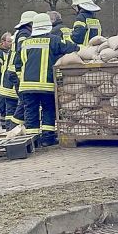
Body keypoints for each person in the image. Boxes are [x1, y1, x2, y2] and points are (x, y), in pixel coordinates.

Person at [16, 13, 78, 147]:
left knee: (31, 111)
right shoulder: (54, 40)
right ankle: (47, 138)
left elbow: (17, 64)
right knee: (48, 109)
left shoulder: (25, 43)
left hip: (26, 86)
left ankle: (33, 140)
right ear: (48, 26)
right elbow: (70, 47)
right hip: (46, 85)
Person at [7, 10, 36, 128]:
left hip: (15, 71)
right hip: (17, 72)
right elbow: (22, 51)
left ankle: (14, 127)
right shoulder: (24, 34)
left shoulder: (21, 32)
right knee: (25, 101)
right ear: (30, 23)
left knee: (24, 101)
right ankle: (13, 127)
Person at [0, 33, 18, 131]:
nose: (11, 43)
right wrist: (8, 70)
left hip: (6, 82)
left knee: (6, 104)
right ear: (3, 42)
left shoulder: (10, 52)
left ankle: (4, 125)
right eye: (9, 41)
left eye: (11, 41)